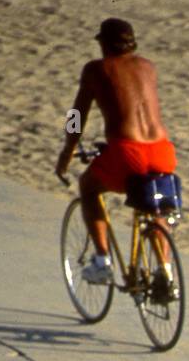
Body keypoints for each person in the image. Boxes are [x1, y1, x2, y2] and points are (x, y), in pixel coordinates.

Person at [54, 18, 177, 287]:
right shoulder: (148, 67)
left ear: (104, 44)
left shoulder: (97, 69)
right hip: (162, 150)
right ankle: (165, 270)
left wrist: (67, 151)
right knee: (154, 205)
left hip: (126, 152)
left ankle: (101, 262)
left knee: (88, 186)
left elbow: (77, 115)